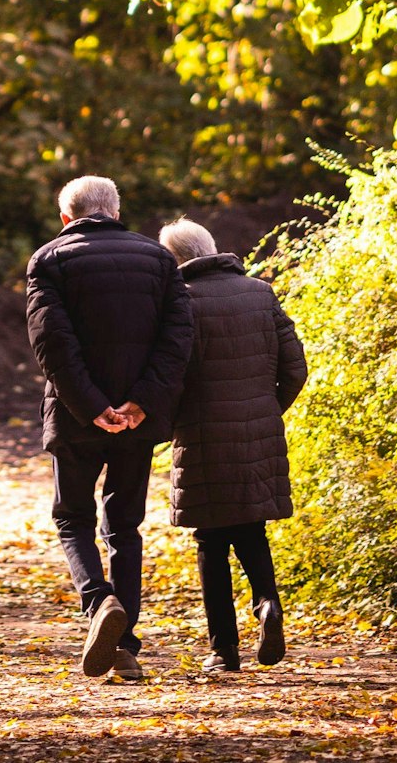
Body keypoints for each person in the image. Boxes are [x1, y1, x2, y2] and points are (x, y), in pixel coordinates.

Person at [25, 175, 193, 683]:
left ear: (65, 218)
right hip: (137, 421)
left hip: (76, 417)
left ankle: (100, 603)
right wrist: (141, 402)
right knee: (123, 526)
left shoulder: (49, 260)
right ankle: (124, 646)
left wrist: (92, 405)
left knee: (72, 518)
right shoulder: (159, 260)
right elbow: (178, 337)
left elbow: (51, 342)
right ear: (117, 211)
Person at [157, 217, 308, 673]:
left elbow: (170, 375)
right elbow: (296, 368)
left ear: (174, 258)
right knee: (251, 527)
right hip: (257, 429)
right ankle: (267, 603)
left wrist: (169, 423)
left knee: (211, 540)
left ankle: (224, 651)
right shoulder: (261, 293)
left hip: (202, 434)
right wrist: (265, 409)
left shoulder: (179, 302)